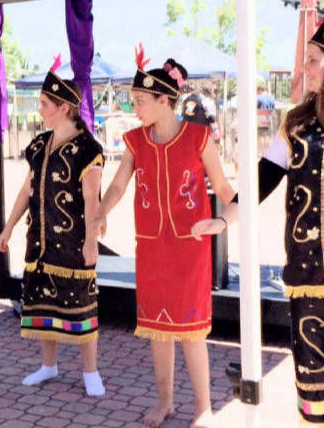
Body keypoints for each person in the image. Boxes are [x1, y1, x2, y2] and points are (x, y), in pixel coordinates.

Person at [92, 49, 235, 427]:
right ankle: (166, 402)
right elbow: (118, 185)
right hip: (152, 248)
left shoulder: (199, 137)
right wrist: (101, 212)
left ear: (163, 100)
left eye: (140, 101)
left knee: (191, 331)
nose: (134, 108)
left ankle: (203, 407)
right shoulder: (135, 141)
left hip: (190, 248)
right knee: (158, 329)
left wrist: (224, 221)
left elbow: (224, 189)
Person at [192, 24, 324, 425]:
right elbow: (262, 181)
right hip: (309, 273)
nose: (305, 69)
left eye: (313, 60)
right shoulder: (296, 125)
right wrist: (223, 218)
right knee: (314, 385)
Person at [0, 70, 106, 397]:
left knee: (81, 303)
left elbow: (92, 198)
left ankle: (90, 372)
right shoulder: (39, 144)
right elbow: (26, 189)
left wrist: (91, 241)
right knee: (43, 302)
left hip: (73, 242)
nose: (40, 109)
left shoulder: (88, 148)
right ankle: (49, 365)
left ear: (64, 108)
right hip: (40, 240)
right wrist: (9, 226)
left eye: (44, 103)